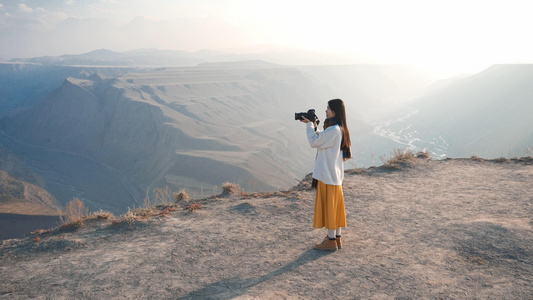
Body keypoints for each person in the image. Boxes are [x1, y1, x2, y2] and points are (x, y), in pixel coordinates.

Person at [300, 99, 352, 251]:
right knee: (335, 208)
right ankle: (336, 238)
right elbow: (321, 139)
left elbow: (314, 142)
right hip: (334, 176)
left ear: (334, 111)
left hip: (328, 175)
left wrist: (309, 125)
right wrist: (314, 126)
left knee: (330, 208)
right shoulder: (338, 129)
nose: (326, 111)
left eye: (328, 108)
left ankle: (330, 242)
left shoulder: (334, 130)